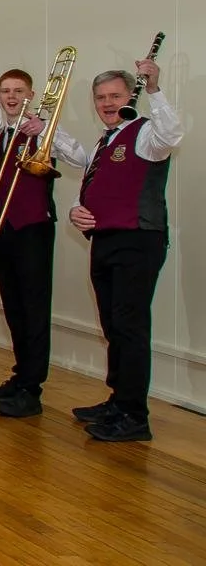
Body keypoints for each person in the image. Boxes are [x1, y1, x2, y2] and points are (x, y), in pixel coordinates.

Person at [62, 58, 184, 442]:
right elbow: (95, 189)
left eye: (115, 95)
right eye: (100, 97)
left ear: (129, 94)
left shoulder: (147, 134)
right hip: (107, 241)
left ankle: (134, 416)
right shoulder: (106, 140)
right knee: (113, 326)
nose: (107, 102)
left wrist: (154, 90)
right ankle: (119, 399)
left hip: (137, 240)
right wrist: (76, 211)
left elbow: (173, 134)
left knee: (130, 328)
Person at [0, 66, 84, 419]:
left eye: (18, 91)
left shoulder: (43, 130)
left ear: (30, 96)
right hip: (3, 227)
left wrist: (47, 130)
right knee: (13, 307)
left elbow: (80, 158)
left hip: (34, 227)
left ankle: (32, 389)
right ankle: (21, 377)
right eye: (5, 91)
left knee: (34, 309)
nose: (10, 97)